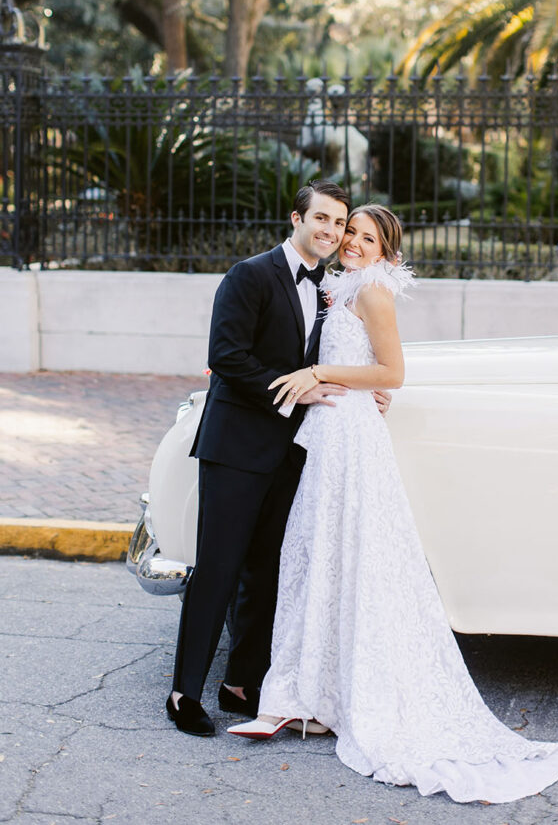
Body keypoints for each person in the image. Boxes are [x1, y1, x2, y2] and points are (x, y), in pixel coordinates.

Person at [229, 204, 558, 804]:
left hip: (352, 442)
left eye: (367, 238)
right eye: (351, 234)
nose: (354, 243)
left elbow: (394, 371)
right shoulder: (340, 286)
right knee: (316, 554)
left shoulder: (375, 292)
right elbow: (367, 374)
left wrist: (319, 372)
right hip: (331, 434)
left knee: (348, 555)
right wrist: (333, 379)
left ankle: (325, 697)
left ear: (387, 251)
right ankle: (306, 696)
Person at [167, 179, 363, 737]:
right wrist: (298, 390)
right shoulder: (249, 275)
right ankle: (184, 692)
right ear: (296, 218)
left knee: (268, 571)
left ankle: (241, 683)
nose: (329, 231)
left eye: (339, 223)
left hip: (293, 453)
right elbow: (226, 357)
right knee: (219, 571)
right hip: (235, 448)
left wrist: (368, 386)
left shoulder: (333, 288)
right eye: (321, 219)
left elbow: (334, 358)